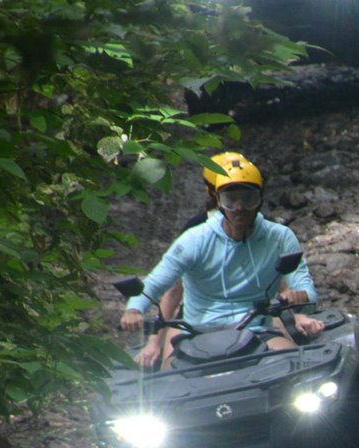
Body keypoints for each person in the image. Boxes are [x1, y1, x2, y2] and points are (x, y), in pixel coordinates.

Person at [119, 151, 323, 369]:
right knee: (168, 385)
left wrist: (298, 295)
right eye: (230, 199)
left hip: (258, 330)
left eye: (248, 198)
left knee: (295, 369)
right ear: (218, 201)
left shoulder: (280, 237)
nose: (239, 208)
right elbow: (156, 282)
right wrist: (134, 309)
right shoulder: (194, 239)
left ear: (260, 199)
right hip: (196, 334)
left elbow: (306, 288)